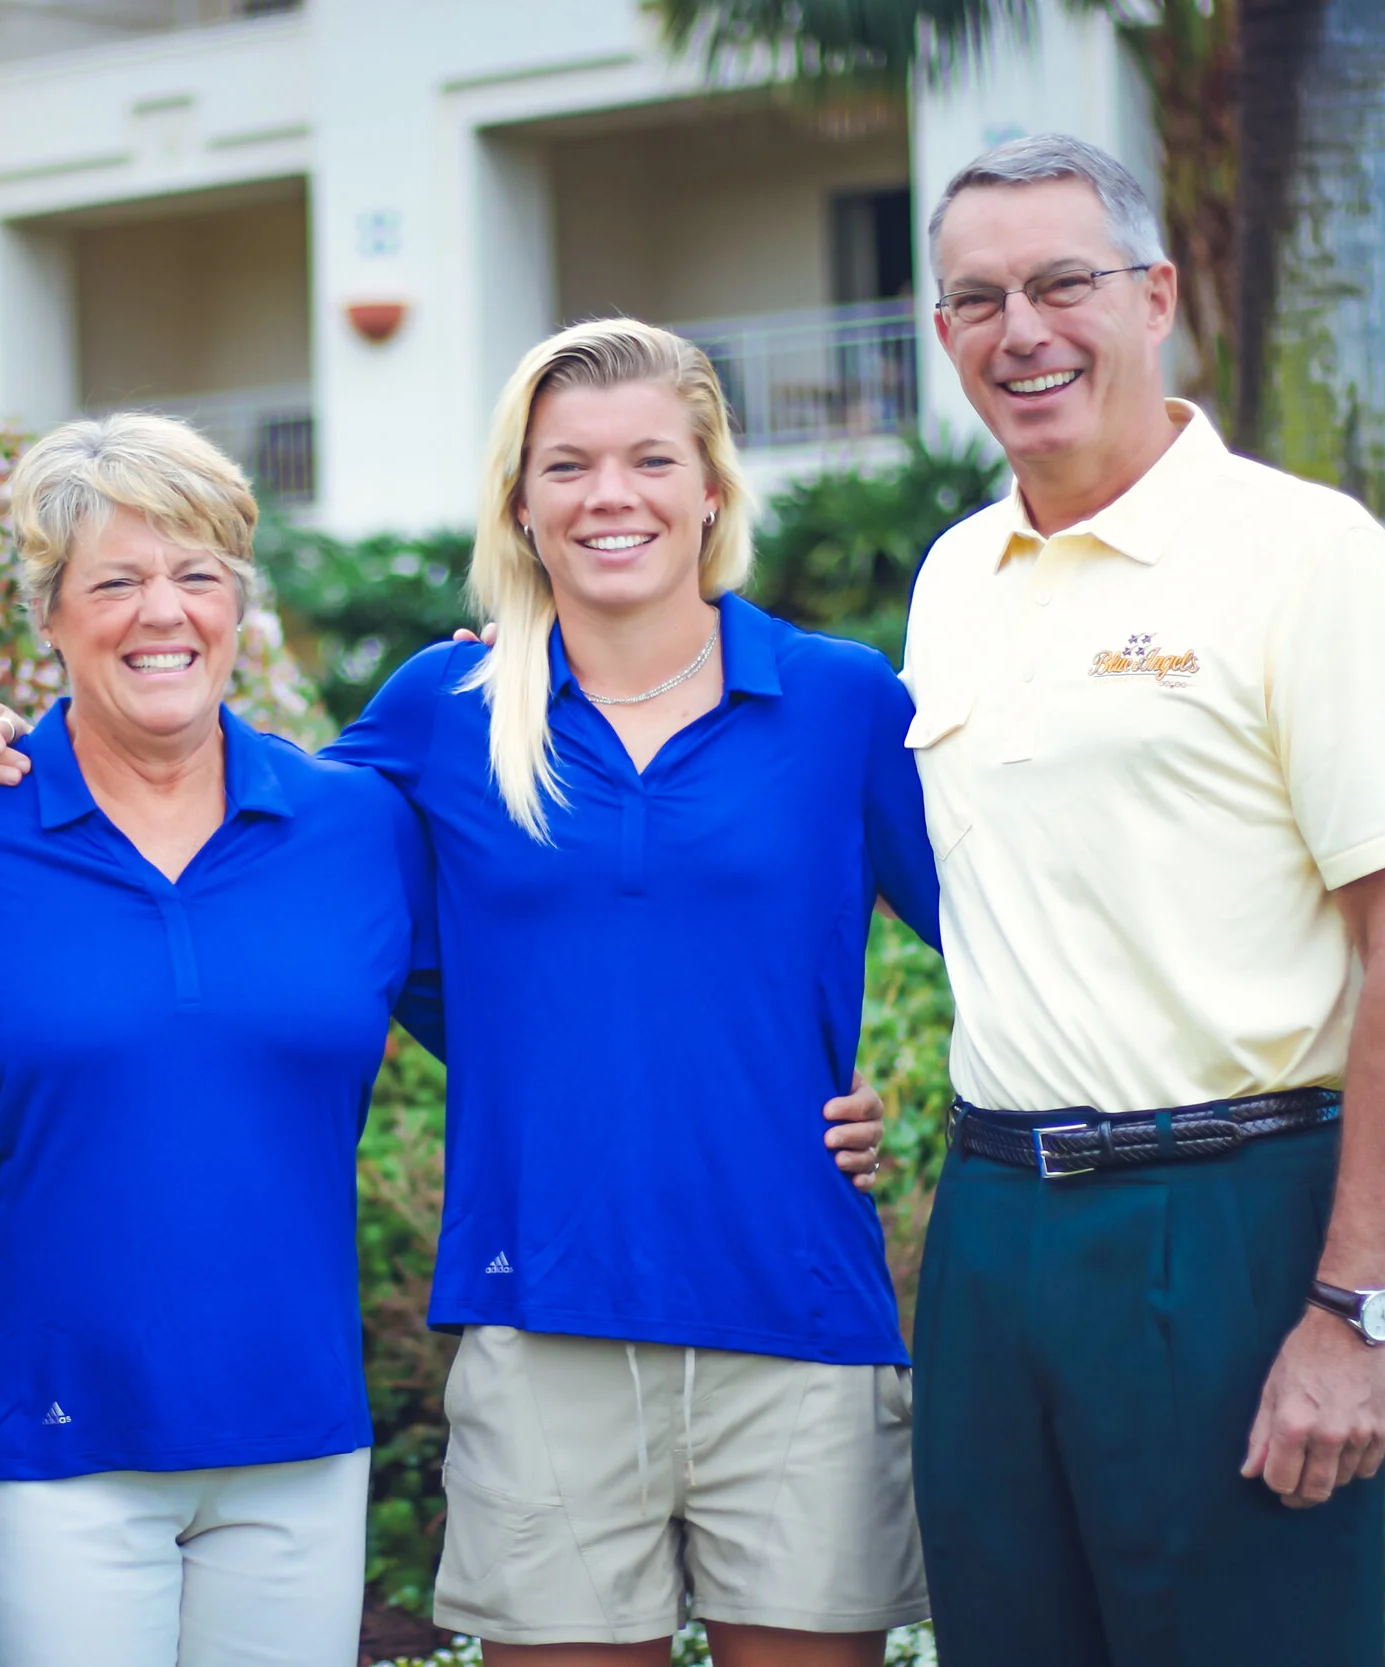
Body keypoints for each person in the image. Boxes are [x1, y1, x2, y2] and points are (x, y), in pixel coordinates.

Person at [903, 134, 1385, 1667]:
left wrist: (1353, 1310)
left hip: (1222, 1223)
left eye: (1061, 282)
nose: (1021, 329)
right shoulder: (954, 575)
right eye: (977, 298)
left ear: (1154, 295)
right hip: (993, 1230)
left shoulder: (1305, 556)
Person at [325, 319, 940, 1665]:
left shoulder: (841, 699)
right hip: (542, 1308)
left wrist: (915, 1099)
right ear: (522, 503)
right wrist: (2, 751)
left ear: (712, 484)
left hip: (797, 1314)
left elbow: (1006, 938)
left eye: (651, 458)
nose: (613, 494)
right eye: (569, 465)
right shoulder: (447, 703)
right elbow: (268, 858)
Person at [0, 412, 440, 1667]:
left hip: (293, 1428)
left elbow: (539, 1032)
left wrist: (797, 1105)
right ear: (51, 618)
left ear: (240, 602)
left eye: (196, 576)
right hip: (35, 1434)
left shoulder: (359, 828)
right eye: (114, 582)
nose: (161, 613)